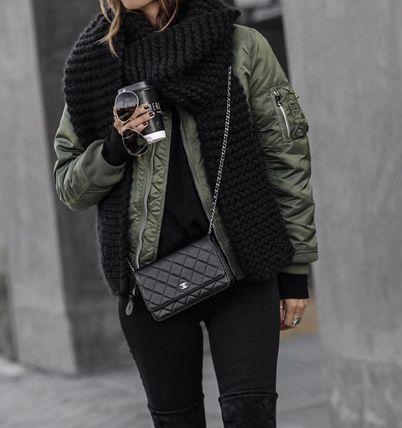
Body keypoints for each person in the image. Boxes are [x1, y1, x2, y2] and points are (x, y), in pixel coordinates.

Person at [53, 0, 318, 426]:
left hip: (243, 267)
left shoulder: (239, 45)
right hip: (149, 285)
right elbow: (70, 186)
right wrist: (115, 148)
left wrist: (295, 272)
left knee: (251, 414)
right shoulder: (95, 63)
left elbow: (286, 161)